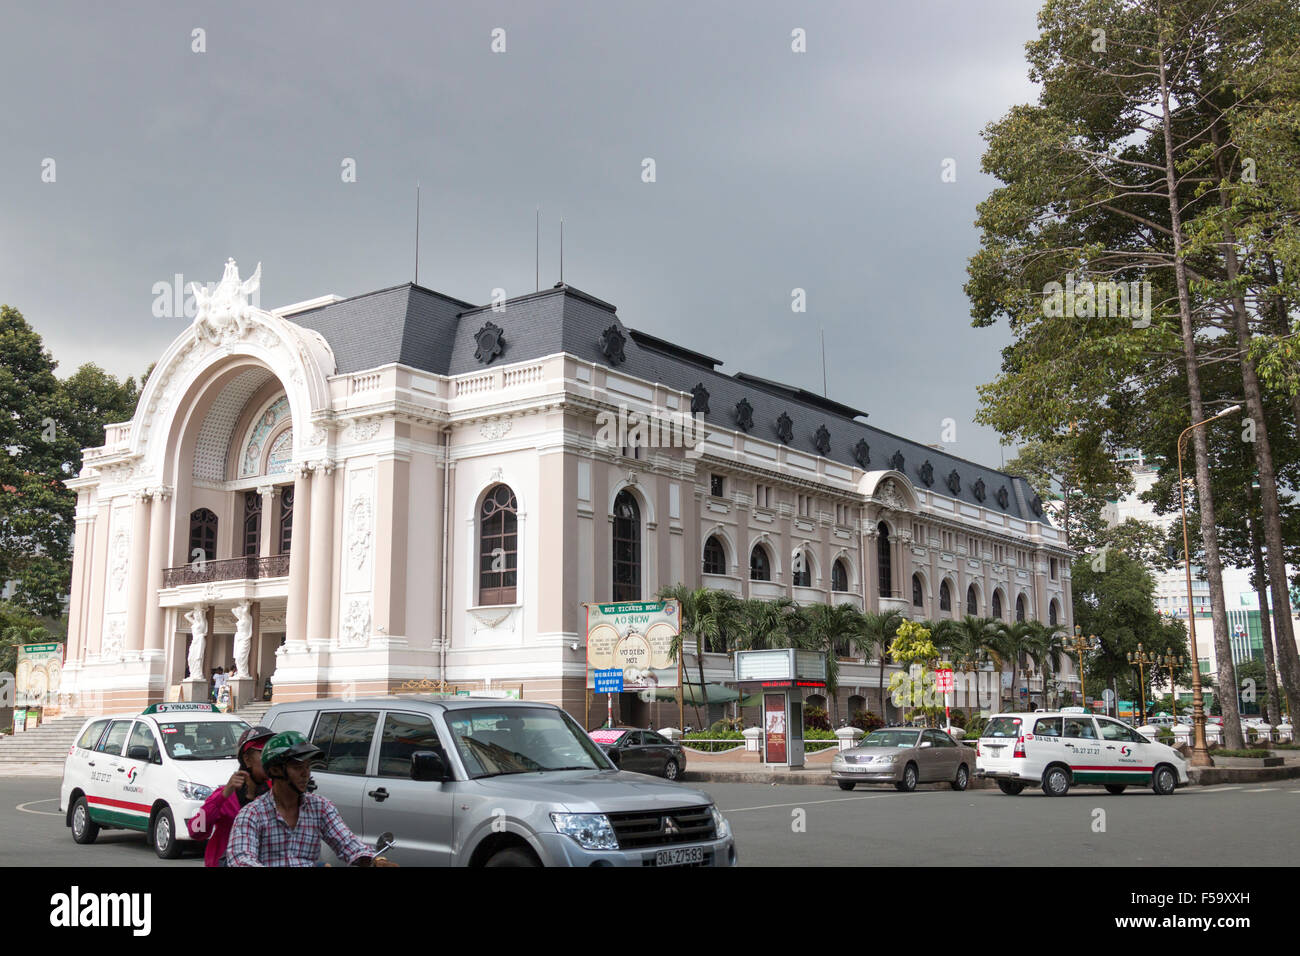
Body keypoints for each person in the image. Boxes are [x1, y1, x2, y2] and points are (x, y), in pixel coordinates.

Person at [226, 731, 397, 867]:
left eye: (308, 767)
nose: (305, 773)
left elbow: (347, 843)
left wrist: (375, 861)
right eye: (297, 767)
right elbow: (241, 859)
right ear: (276, 770)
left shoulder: (320, 807)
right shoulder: (251, 814)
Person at [187, 725, 273, 866]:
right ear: (247, 759)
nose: (270, 759)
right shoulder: (225, 795)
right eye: (263, 753)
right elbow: (195, 830)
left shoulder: (277, 793)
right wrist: (222, 796)